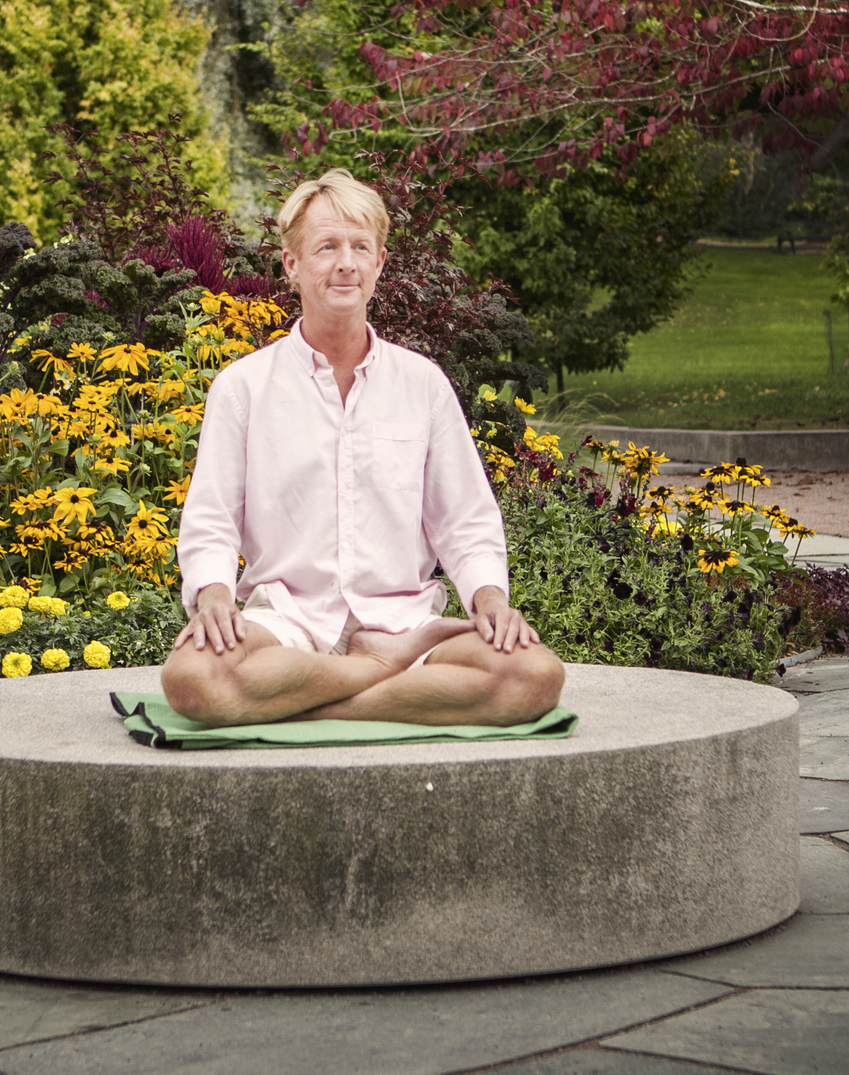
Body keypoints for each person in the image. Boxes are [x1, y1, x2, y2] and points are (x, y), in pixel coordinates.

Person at [161, 169, 566, 726]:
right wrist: (213, 598)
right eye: (326, 247)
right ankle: (378, 674)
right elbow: (211, 519)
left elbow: (466, 520)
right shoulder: (243, 387)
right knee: (191, 678)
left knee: (535, 675)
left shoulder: (422, 384)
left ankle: (315, 699)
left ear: (379, 264)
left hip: (404, 621)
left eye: (360, 247)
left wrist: (491, 602)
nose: (345, 262)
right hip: (286, 621)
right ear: (292, 265)